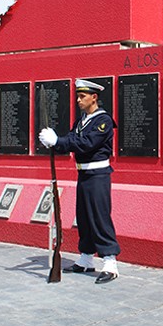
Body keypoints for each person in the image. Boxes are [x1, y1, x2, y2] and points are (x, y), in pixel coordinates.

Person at [39, 79, 121, 284]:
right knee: (83, 217)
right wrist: (55, 142)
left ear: (94, 97)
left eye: (82, 96)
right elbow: (71, 141)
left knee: (99, 217)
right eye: (77, 96)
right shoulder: (81, 121)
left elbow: (86, 143)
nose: (78, 100)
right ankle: (86, 258)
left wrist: (58, 141)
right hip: (83, 175)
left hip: (98, 176)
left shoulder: (103, 121)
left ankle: (110, 262)